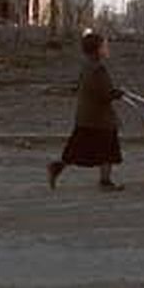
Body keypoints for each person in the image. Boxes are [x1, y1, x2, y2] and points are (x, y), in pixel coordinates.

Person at [48, 29, 126, 192]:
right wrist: (116, 94)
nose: (107, 49)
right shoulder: (98, 69)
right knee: (108, 149)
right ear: (97, 50)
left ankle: (57, 167)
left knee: (77, 148)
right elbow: (104, 94)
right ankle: (105, 182)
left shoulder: (87, 66)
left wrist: (112, 92)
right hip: (100, 118)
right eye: (104, 46)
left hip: (86, 116)